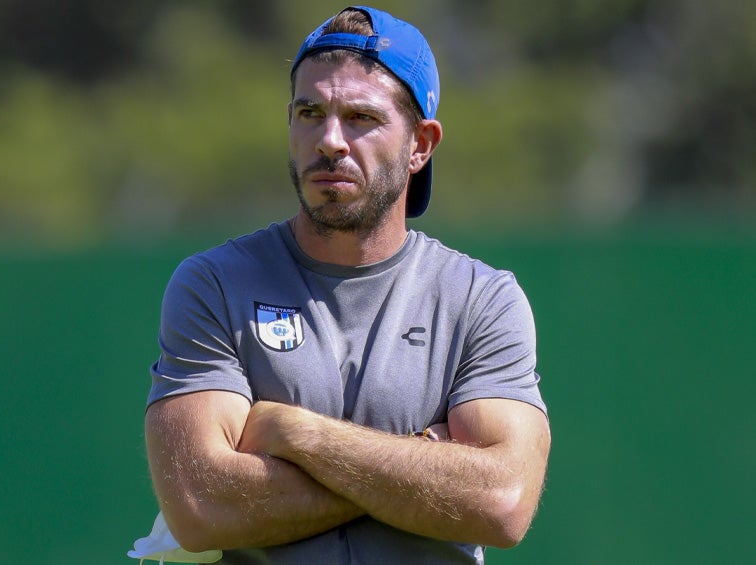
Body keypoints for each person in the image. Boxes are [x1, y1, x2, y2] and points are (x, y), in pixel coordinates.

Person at [141, 6, 551, 564]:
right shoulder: (213, 284)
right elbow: (199, 505)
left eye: (361, 117)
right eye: (310, 113)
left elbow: (501, 501)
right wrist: (423, 464)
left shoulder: (481, 298)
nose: (329, 140)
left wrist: (297, 435)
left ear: (420, 145)